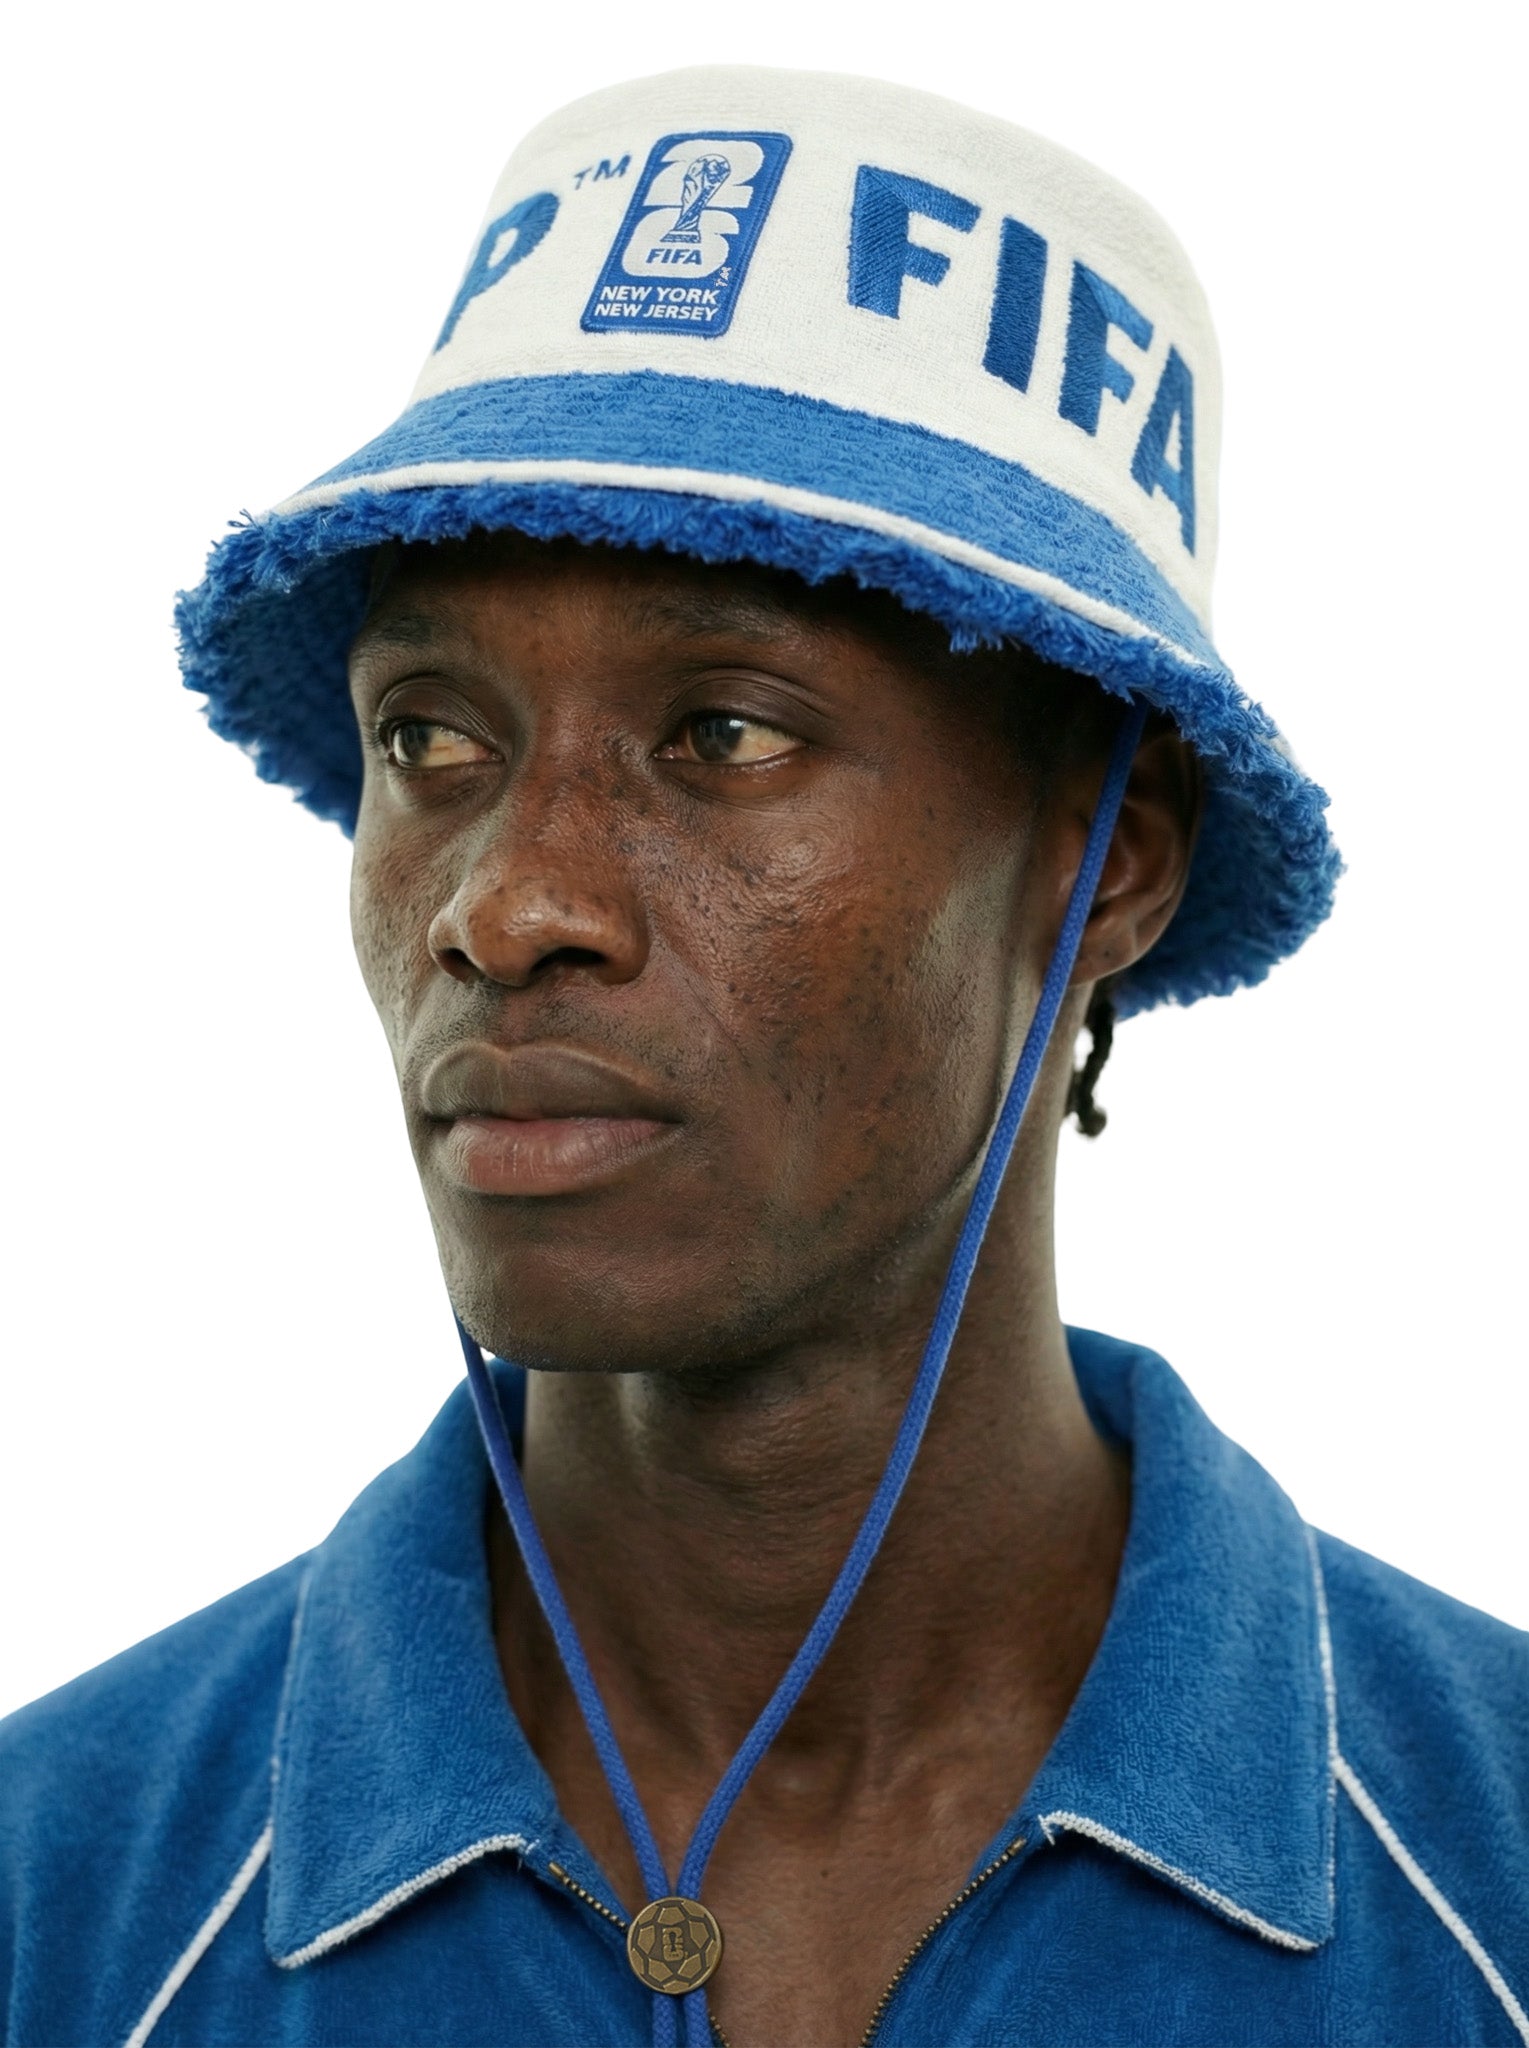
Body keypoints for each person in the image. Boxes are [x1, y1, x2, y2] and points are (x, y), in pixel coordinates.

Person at [2, 64, 1524, 2048]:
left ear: (1108, 864)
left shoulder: (1488, 1883)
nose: (506, 899)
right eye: (429, 741)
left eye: (724, 731)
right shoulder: (59, 1907)